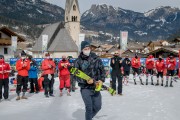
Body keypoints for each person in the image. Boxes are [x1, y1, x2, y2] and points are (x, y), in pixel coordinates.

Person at [74, 41, 105, 120]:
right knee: (89, 108)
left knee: (98, 106)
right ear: (82, 50)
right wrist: (85, 81)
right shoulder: (78, 61)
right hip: (85, 88)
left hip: (96, 86)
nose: (87, 50)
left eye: (88, 48)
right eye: (85, 48)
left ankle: (89, 118)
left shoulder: (96, 58)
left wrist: (101, 80)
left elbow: (102, 70)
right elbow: (74, 76)